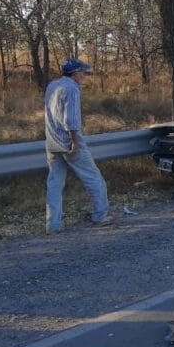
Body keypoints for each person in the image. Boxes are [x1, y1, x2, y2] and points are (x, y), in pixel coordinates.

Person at [44, 58, 111, 233]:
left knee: (54, 184)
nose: (85, 76)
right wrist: (74, 142)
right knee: (93, 178)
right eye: (83, 72)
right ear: (74, 73)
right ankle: (101, 215)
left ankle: (53, 224)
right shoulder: (72, 88)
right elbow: (71, 120)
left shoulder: (53, 86)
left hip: (52, 142)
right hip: (69, 143)